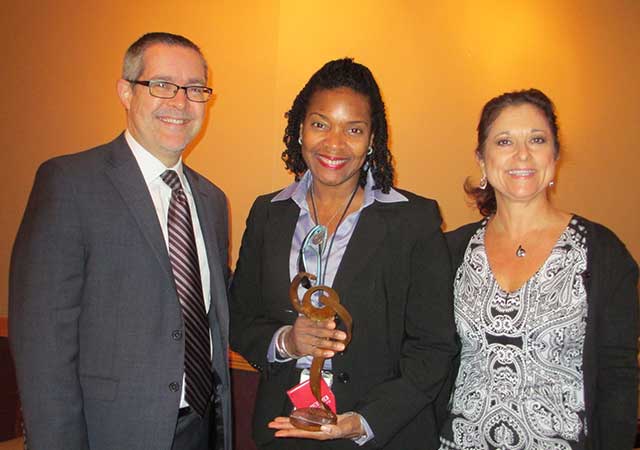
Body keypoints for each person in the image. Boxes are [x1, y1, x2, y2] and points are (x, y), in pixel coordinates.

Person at [9, 32, 232, 450]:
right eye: (162, 85)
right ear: (126, 92)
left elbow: (211, 315)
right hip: (112, 432)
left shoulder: (213, 201)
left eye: (195, 89)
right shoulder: (70, 184)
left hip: (201, 429)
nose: (181, 102)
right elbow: (43, 347)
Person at [229, 58, 458, 450]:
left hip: (380, 435)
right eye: (320, 124)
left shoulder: (414, 221)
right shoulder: (267, 213)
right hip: (284, 432)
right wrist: (287, 342)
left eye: (354, 129)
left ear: (372, 139)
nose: (334, 144)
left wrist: (363, 422)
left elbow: (434, 348)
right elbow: (240, 318)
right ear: (300, 129)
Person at [437, 89, 639, 450]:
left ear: (555, 155)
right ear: (481, 159)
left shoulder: (601, 252)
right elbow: (426, 357)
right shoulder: (450, 252)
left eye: (536, 139)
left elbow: (618, 376)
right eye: (504, 141)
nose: (522, 154)